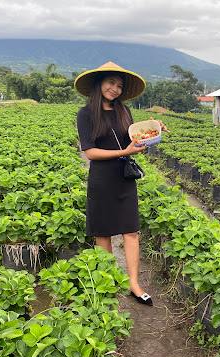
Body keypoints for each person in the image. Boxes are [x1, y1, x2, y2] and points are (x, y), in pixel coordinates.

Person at [74, 61, 168, 306]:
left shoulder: (124, 112)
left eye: (119, 85)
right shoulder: (85, 114)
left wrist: (153, 131)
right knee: (103, 232)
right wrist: (122, 152)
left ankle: (134, 284)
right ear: (99, 83)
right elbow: (90, 153)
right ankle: (108, 282)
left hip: (124, 178)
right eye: (111, 83)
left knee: (130, 230)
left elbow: (135, 143)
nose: (115, 89)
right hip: (101, 179)